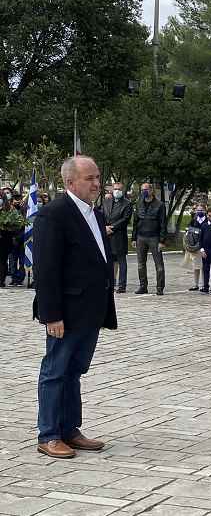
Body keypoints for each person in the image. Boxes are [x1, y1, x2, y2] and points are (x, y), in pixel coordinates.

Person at [32, 156, 117, 459]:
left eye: (97, 177)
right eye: (89, 178)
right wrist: (51, 314)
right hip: (65, 312)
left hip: (90, 310)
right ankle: (49, 434)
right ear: (70, 182)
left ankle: (70, 429)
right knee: (55, 371)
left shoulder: (95, 213)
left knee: (74, 371)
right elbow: (46, 269)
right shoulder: (53, 214)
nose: (96, 183)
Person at [132, 183, 167, 295]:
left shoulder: (160, 205)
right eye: (142, 190)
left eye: (146, 189)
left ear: (151, 190)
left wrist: (162, 240)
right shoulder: (139, 204)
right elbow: (135, 222)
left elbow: (163, 223)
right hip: (141, 237)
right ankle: (143, 286)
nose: (144, 191)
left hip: (154, 237)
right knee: (141, 264)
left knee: (159, 265)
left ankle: (160, 287)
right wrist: (134, 238)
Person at [101, 183, 133, 293]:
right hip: (107, 235)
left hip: (119, 236)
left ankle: (122, 285)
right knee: (109, 261)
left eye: (119, 189)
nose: (116, 191)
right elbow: (101, 215)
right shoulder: (107, 202)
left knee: (121, 261)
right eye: (115, 189)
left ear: (123, 191)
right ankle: (110, 282)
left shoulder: (127, 204)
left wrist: (112, 227)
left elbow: (125, 219)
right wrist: (104, 227)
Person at [184, 203, 207, 291]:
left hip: (205, 246)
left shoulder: (207, 220)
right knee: (196, 266)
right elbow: (188, 230)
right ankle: (196, 284)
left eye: (201, 210)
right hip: (195, 246)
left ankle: (204, 284)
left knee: (204, 266)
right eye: (198, 210)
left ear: (205, 211)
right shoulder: (193, 220)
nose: (199, 212)